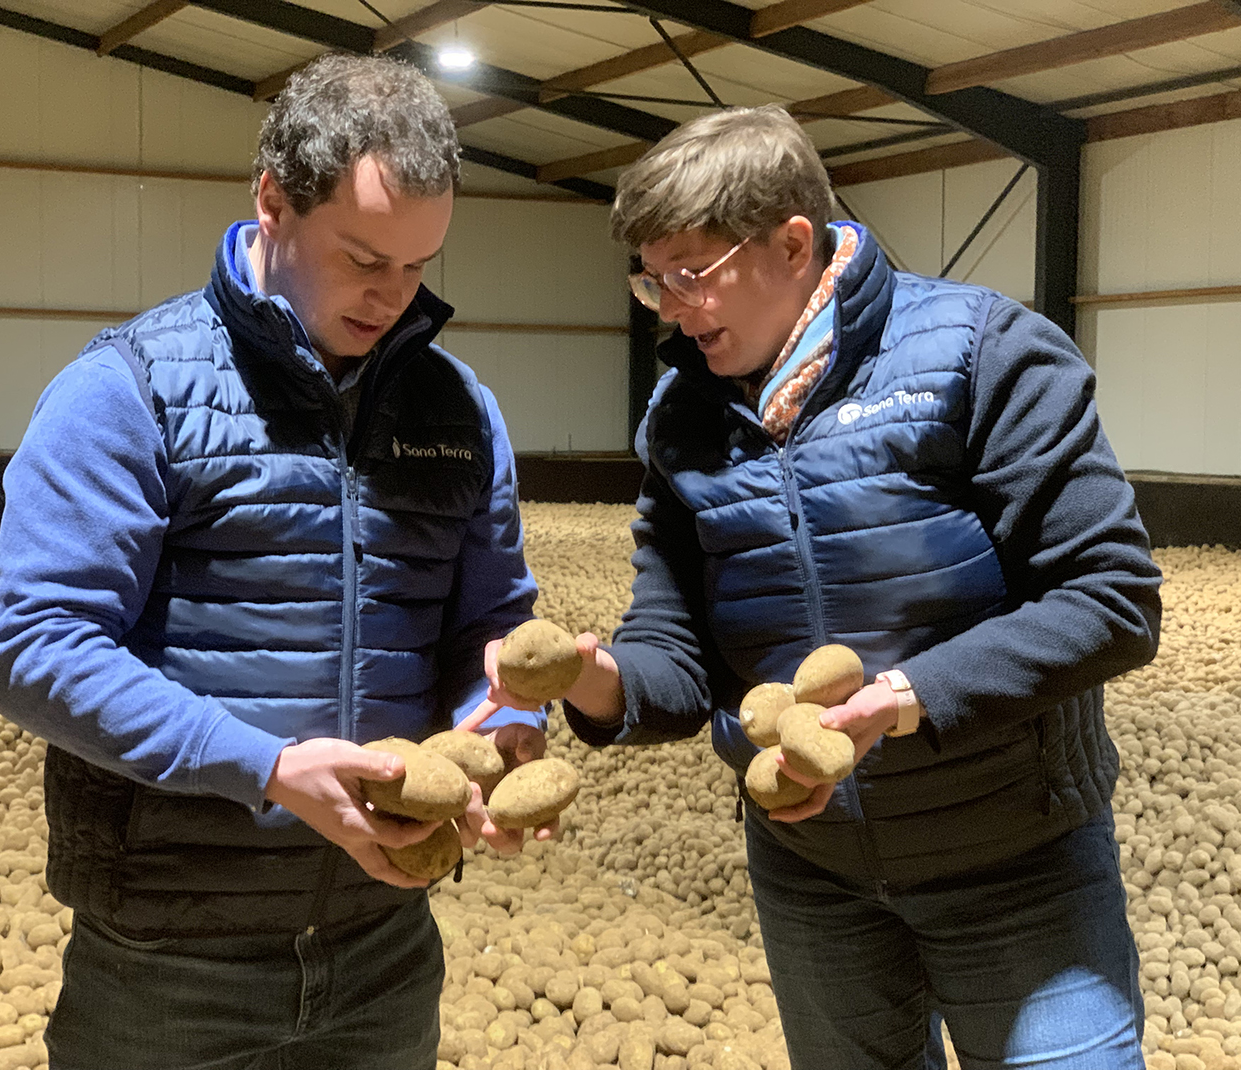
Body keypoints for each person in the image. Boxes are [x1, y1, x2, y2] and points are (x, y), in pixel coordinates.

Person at [486, 105, 1163, 1070]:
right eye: (652, 280)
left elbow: (1111, 600)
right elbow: (675, 659)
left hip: (1015, 862)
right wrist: (591, 678)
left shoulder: (984, 353)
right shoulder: (681, 418)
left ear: (793, 243)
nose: (670, 307)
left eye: (691, 273)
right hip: (813, 877)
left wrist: (899, 702)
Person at [0, 53, 549, 1070]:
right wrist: (270, 768)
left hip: (382, 950)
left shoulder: (457, 410)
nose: (393, 295)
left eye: (420, 265)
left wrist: (499, 727)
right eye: (364, 258)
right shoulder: (130, 390)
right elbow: (36, 649)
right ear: (272, 203)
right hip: (167, 961)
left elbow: (490, 627)